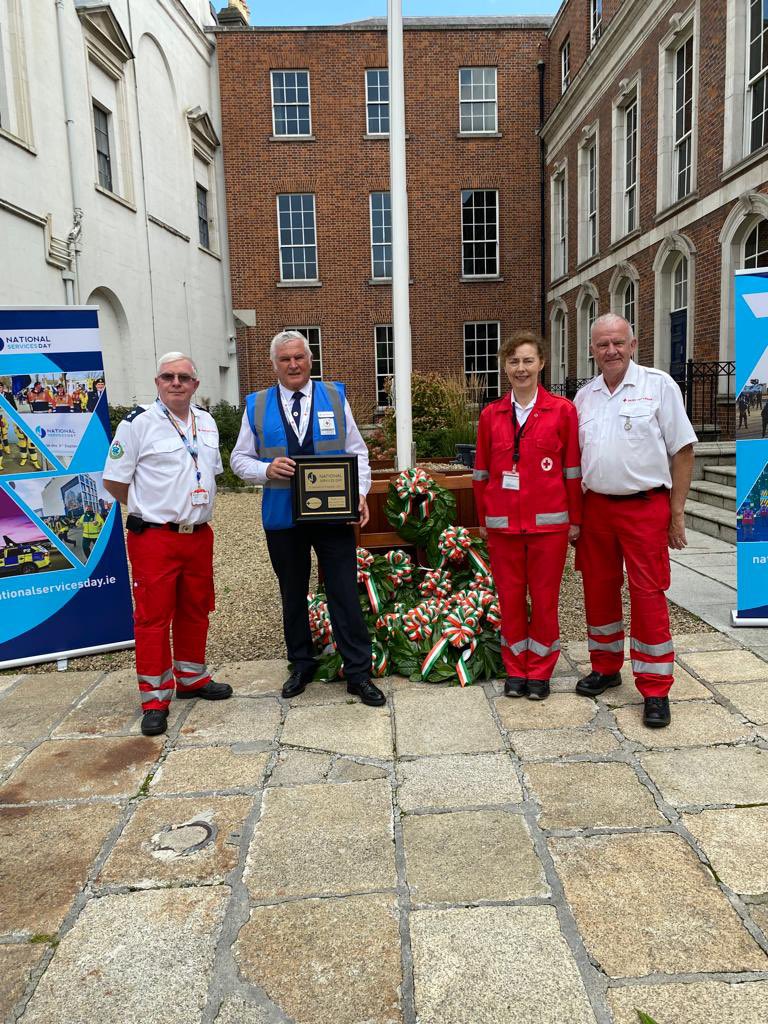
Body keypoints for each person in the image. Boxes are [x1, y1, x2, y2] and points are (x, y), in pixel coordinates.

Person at [230, 330, 384, 706]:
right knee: (292, 593)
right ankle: (301, 664)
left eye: (299, 357)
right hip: (283, 517)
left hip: (333, 515)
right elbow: (238, 460)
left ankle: (358, 672)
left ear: (310, 360)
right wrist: (265, 469)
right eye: (285, 359)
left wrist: (360, 492)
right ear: (274, 365)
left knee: (344, 592)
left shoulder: (334, 396)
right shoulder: (257, 404)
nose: (293, 364)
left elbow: (357, 452)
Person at [573, 313, 697, 729]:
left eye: (617, 343)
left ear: (633, 344)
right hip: (596, 508)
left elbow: (683, 451)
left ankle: (655, 688)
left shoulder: (659, 386)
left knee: (648, 594)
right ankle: (605, 666)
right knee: (598, 589)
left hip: (645, 506)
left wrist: (676, 513)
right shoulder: (584, 397)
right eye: (602, 344)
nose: (611, 351)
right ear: (592, 350)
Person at [103, 352, 232, 737]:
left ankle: (191, 677)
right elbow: (114, 481)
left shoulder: (206, 421)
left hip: (198, 536)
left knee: (196, 607)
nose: (176, 383)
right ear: (157, 382)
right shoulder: (137, 424)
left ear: (195, 384)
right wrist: (150, 509)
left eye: (184, 377)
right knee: (153, 617)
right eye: (168, 376)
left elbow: (208, 473)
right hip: (155, 537)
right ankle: (155, 697)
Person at [473, 331, 582, 701]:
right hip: (503, 527)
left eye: (527, 360)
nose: (521, 368)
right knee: (510, 600)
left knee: (545, 601)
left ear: (541, 364)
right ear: (505, 366)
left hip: (548, 528)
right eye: (514, 361)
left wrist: (575, 520)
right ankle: (515, 669)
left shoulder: (563, 411)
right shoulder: (491, 415)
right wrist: (484, 520)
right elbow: (481, 474)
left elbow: (572, 471)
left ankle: (540, 671)